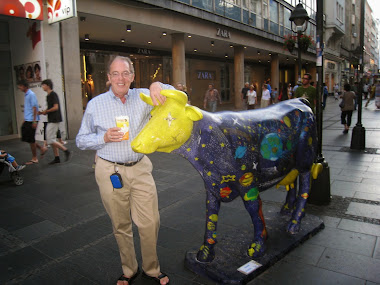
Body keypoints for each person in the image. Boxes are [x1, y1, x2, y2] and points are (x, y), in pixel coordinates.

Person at [76, 56, 171, 285]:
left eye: (126, 73)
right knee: (120, 224)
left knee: (150, 222)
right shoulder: (95, 104)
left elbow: (175, 96)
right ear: (108, 78)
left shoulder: (142, 97)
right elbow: (80, 140)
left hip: (139, 168)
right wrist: (103, 137)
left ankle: (151, 268)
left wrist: (159, 86)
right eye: (116, 74)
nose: (121, 78)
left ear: (133, 76)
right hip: (109, 170)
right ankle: (129, 269)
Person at [39, 79, 71, 164]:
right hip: (52, 118)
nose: (42, 87)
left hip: (54, 119)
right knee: (52, 138)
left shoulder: (53, 95)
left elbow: (56, 107)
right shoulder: (49, 96)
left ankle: (65, 150)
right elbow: (51, 108)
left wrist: (47, 111)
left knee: (50, 140)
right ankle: (57, 157)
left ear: (48, 85)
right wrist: (44, 112)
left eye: (43, 85)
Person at [17, 79, 47, 165]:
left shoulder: (31, 94)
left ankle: (35, 158)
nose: (19, 87)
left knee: (31, 139)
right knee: (28, 138)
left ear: (24, 86)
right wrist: (25, 120)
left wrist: (34, 121)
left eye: (20, 86)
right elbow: (28, 109)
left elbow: (35, 108)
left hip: (32, 120)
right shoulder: (26, 95)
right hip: (28, 119)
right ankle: (41, 148)